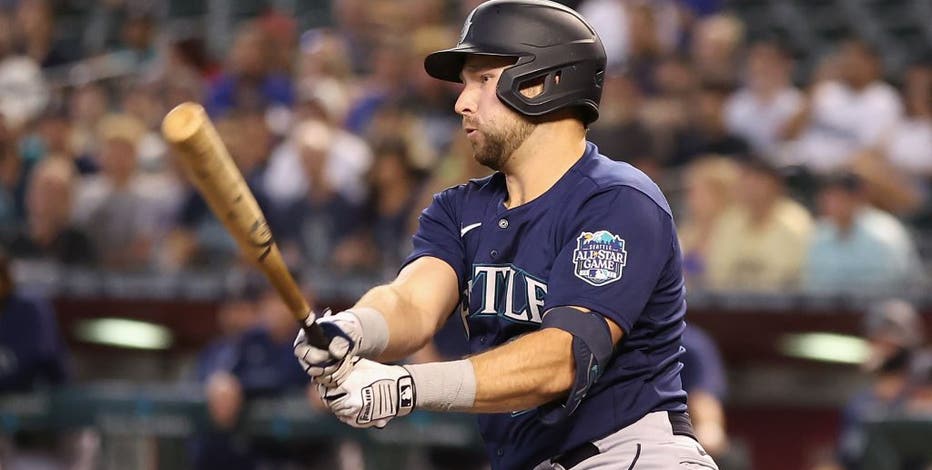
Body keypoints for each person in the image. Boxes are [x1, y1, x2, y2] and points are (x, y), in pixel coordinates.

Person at [293, 2, 718, 469]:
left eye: (481, 80)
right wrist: (354, 329)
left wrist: (407, 388)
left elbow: (562, 360)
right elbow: (413, 302)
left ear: (541, 83)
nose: (461, 102)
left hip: (629, 455)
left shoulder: (617, 199)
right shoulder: (457, 208)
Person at [804, 172, 921, 295]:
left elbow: (890, 286)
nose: (832, 204)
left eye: (839, 197)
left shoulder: (884, 233)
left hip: (884, 305)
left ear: (857, 198)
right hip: (828, 310)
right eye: (828, 197)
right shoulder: (819, 234)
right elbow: (814, 284)